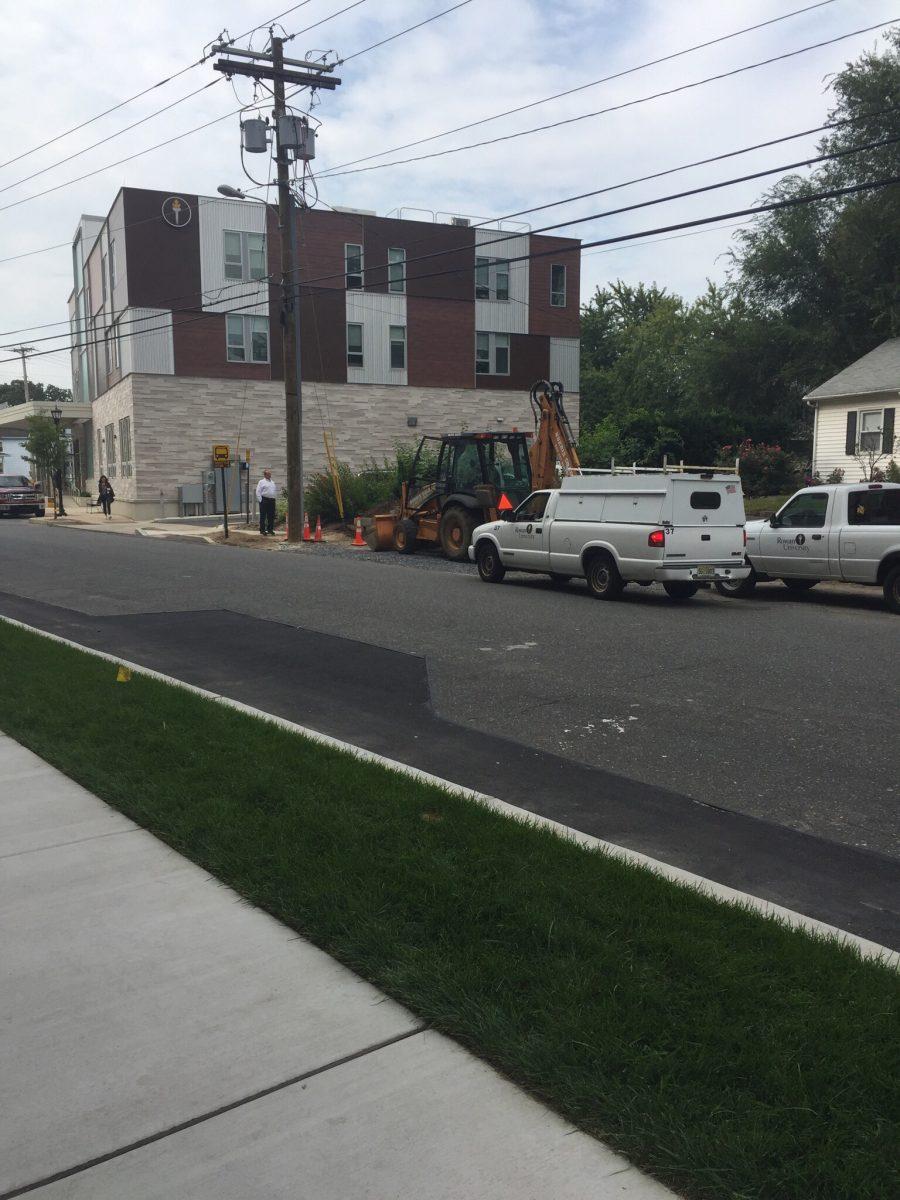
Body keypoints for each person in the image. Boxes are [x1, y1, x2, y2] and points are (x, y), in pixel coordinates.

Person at [256, 468, 277, 536]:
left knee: (271, 516)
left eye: (270, 474)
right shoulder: (261, 482)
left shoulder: (272, 482)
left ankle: (270, 530)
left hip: (272, 500)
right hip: (264, 500)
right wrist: (261, 500)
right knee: (263, 516)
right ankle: (262, 530)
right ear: (265, 475)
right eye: (268, 474)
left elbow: (273, 491)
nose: (270, 475)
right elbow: (258, 491)